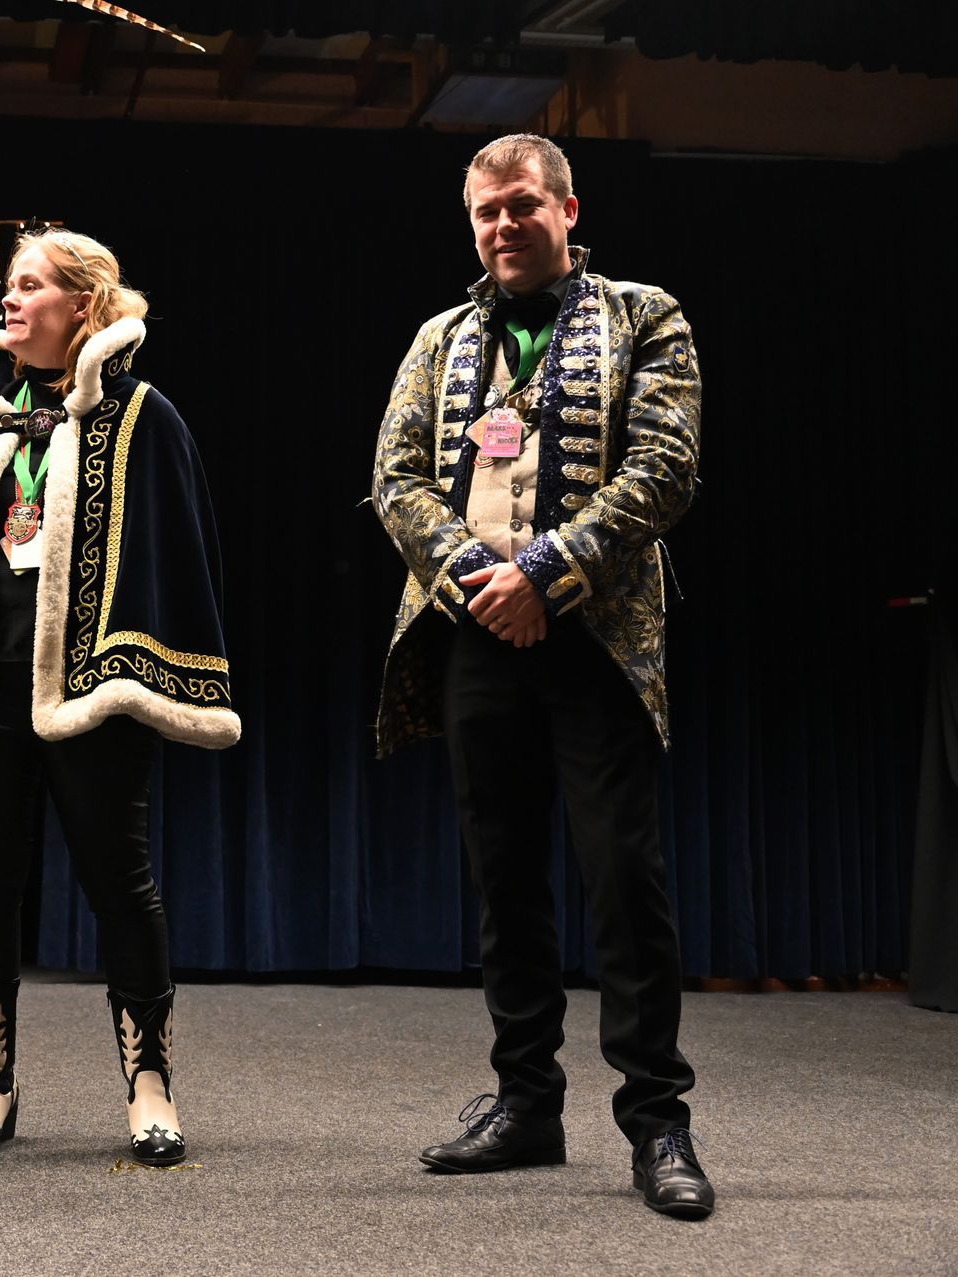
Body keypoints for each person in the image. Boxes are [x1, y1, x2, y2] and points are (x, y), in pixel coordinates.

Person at [371, 134, 712, 1218]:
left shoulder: (644, 316)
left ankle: (658, 1122)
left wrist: (546, 573)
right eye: (486, 211)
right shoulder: (439, 336)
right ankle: (527, 1103)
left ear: (568, 209)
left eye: (522, 204)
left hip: (598, 637)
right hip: (475, 628)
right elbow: (395, 478)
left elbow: (665, 468)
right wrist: (481, 576)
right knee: (504, 877)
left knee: (623, 878)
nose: (503, 225)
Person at [0, 229, 238, 1166]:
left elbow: (178, 553)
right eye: (9, 286)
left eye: (31, 286)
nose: (10, 300)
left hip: (90, 691)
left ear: (83, 305)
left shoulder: (142, 415)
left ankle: (150, 1085)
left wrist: (147, 672)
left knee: (120, 883)